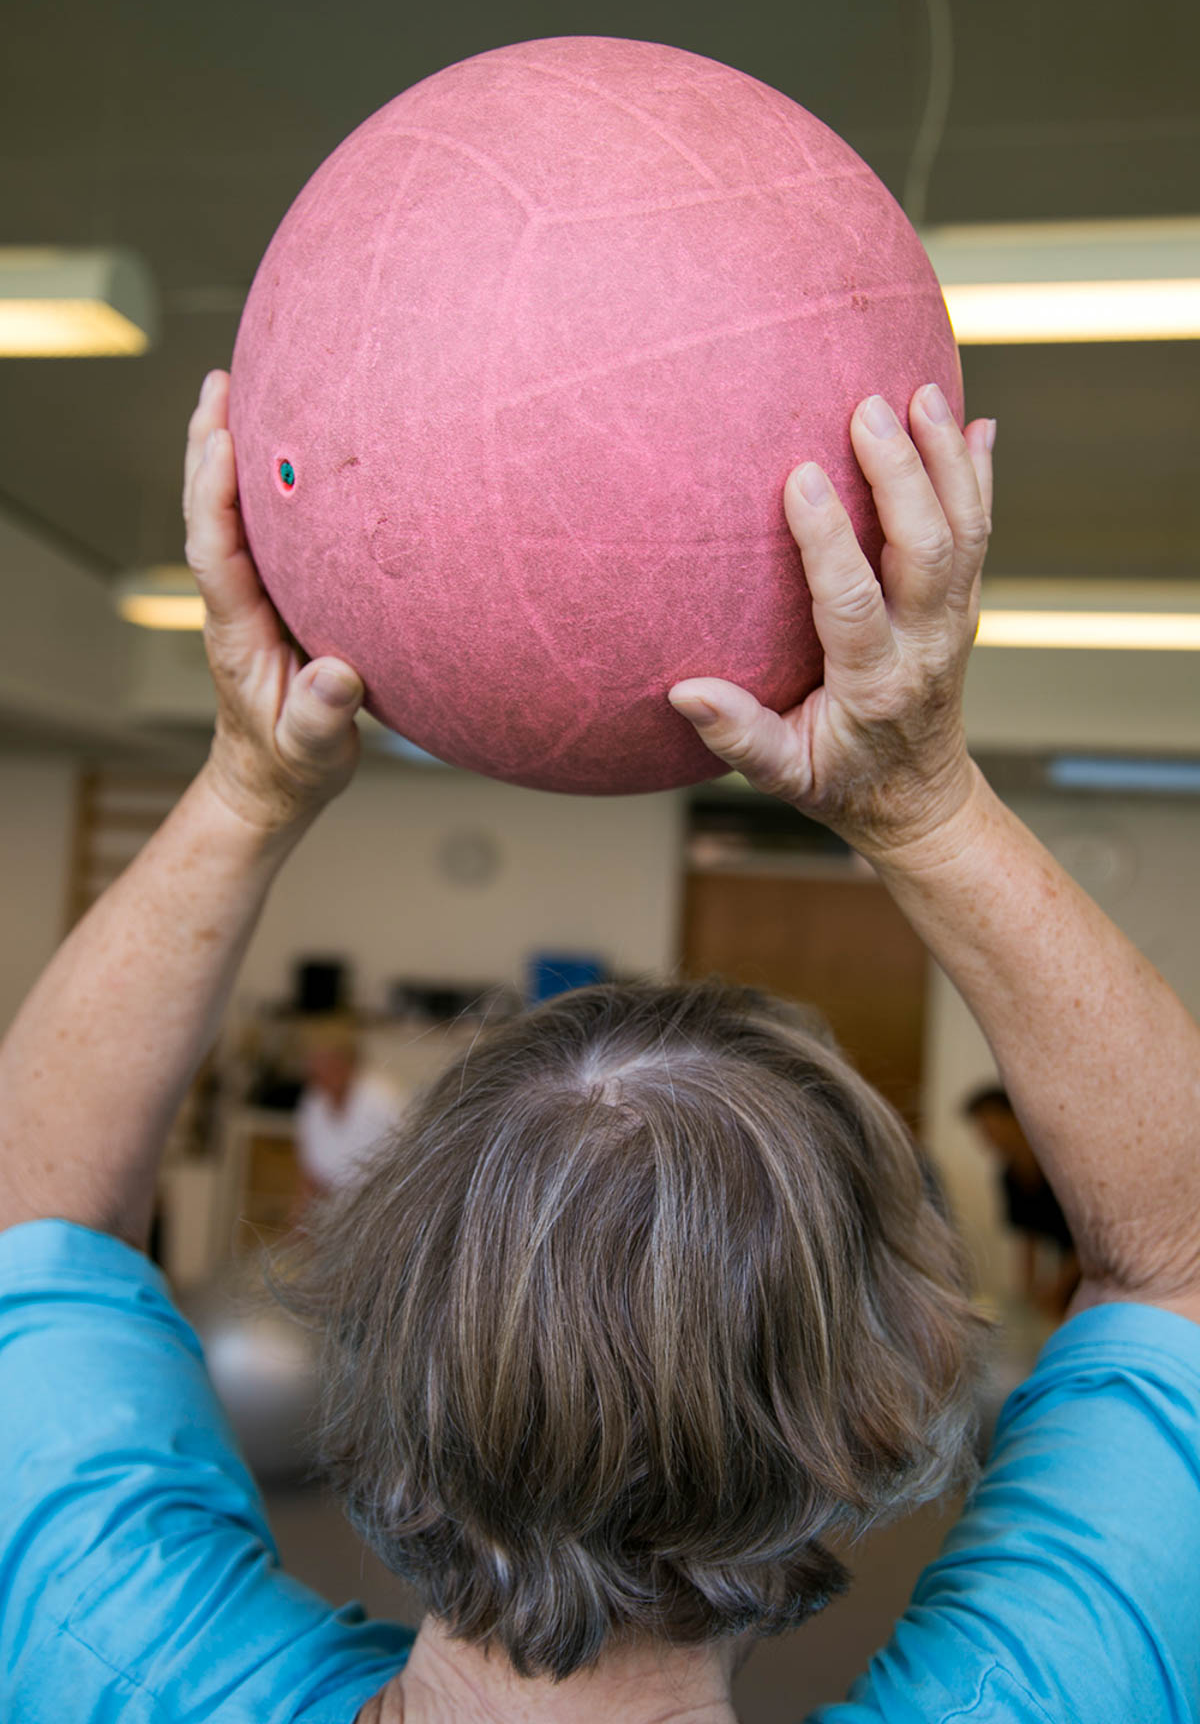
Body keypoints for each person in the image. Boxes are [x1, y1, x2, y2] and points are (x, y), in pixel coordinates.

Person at [1, 372, 1198, 1724]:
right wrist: (920, 803)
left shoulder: (107, 1664)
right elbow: (1185, 1259)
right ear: (887, 1412)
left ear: (369, 1355)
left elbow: (31, 1204)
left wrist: (245, 784)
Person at [963, 1084, 1080, 1317]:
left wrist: (1057, 1289)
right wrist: (1026, 1295)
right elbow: (1027, 1239)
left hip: (1092, 1271)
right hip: (1068, 1269)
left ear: (1016, 1119)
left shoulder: (1062, 1166)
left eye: (990, 1126)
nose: (986, 1135)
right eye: (981, 1129)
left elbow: (1090, 1241)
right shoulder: (1009, 1176)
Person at [292, 1023, 405, 1217]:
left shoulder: (381, 1098)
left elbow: (403, 1166)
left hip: (381, 1212)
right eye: (315, 1064)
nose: (322, 1071)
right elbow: (310, 1177)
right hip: (335, 1215)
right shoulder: (313, 1103)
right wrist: (299, 1221)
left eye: (329, 1062)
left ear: (348, 1062)